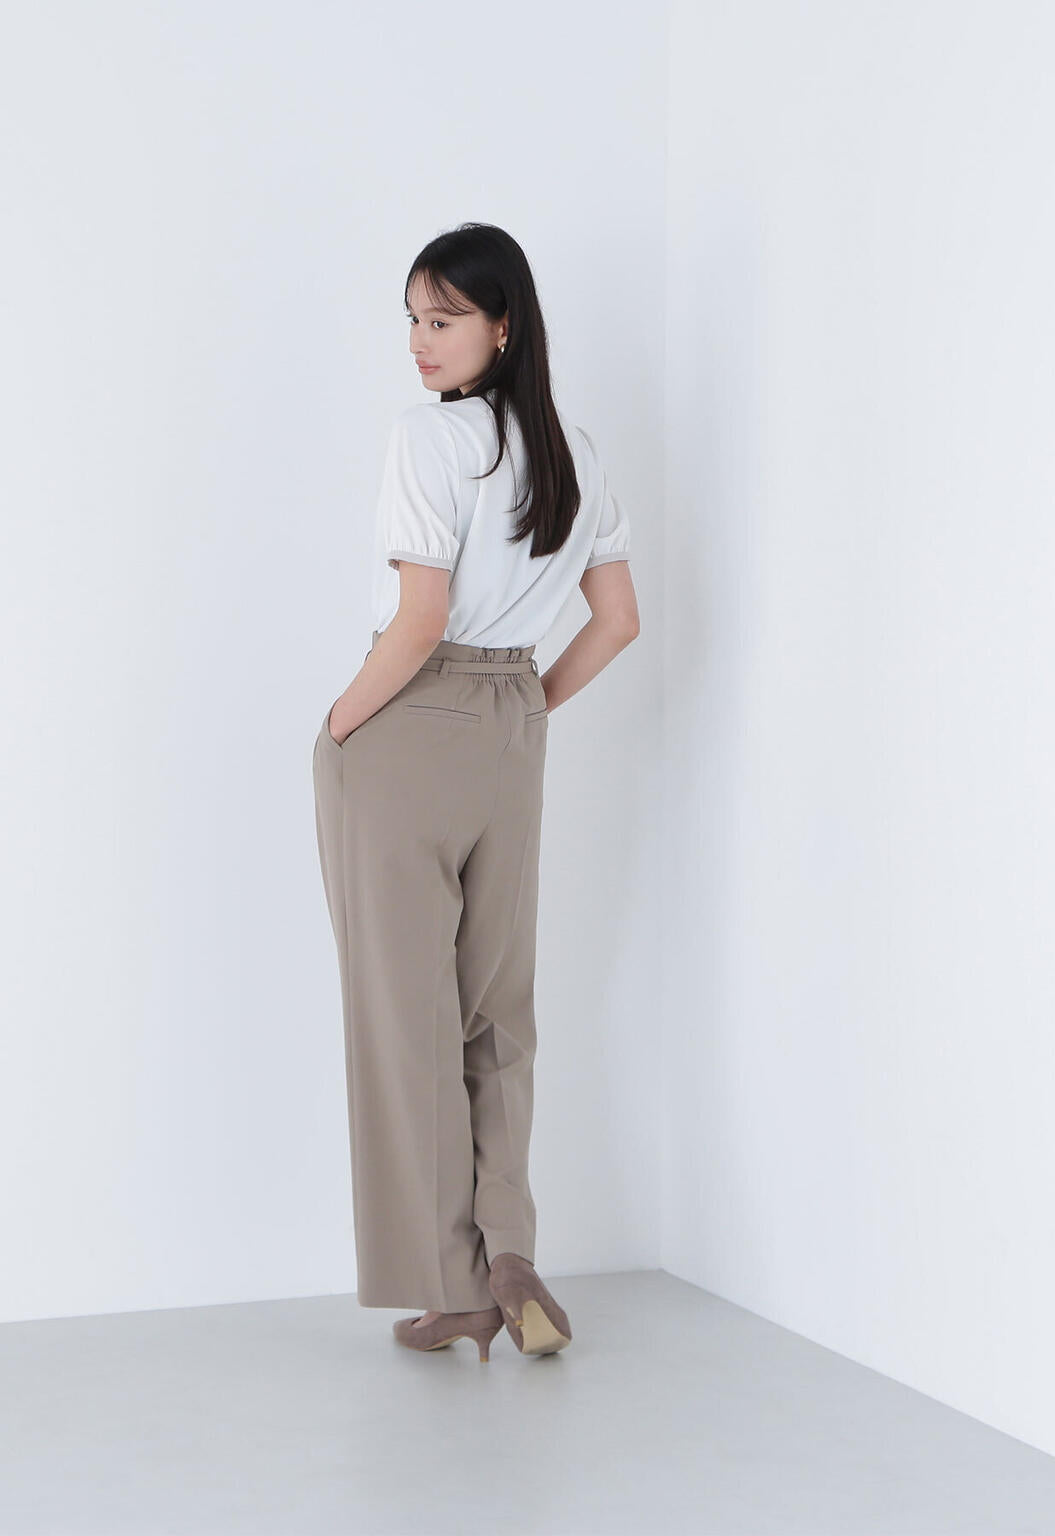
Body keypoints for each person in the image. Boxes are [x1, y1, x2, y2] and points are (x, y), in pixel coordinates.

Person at [312, 223, 639, 1363]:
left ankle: (453, 1287)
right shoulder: (575, 451)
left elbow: (420, 621)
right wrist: (525, 709)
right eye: (412, 318)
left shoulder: (427, 439)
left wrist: (338, 727)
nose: (420, 340)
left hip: (409, 723)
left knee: (405, 1018)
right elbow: (618, 621)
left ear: (503, 326)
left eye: (443, 318)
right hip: (512, 729)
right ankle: (510, 1251)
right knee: (499, 1011)